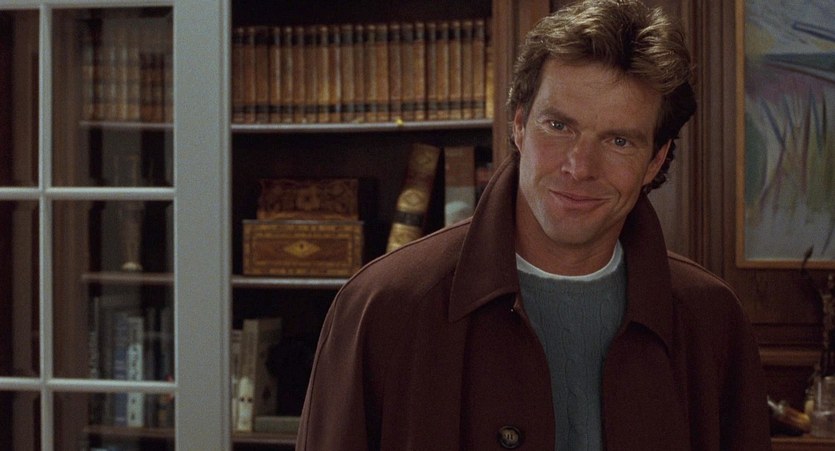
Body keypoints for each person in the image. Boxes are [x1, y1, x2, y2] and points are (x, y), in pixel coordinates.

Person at [297, 0, 772, 449]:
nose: (579, 167)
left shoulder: (713, 321)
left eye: (619, 141)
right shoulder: (383, 306)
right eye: (559, 126)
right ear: (520, 125)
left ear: (656, 160)